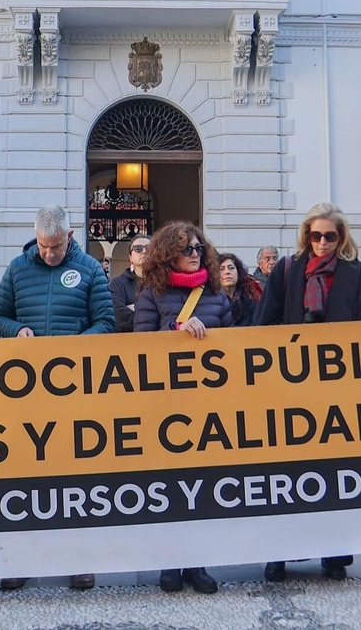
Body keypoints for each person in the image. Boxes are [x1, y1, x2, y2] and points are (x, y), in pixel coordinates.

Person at [0, 205, 112, 591]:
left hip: (74, 389)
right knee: (26, 477)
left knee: (76, 478)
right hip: (26, 392)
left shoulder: (91, 270)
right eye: (43, 247)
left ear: (70, 236)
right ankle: (24, 559)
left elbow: (106, 324)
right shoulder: (16, 268)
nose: (49, 254)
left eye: (56, 246)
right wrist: (18, 330)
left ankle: (79, 560)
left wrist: (76, 347)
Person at [256, 202, 361, 581]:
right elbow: (265, 322)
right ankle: (279, 553)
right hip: (290, 386)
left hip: (337, 387)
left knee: (337, 472)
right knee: (285, 472)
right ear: (306, 235)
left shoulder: (357, 274)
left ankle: (334, 552)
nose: (322, 242)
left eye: (330, 235)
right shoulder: (288, 270)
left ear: (341, 237)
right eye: (316, 235)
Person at [134, 222, 233, 595]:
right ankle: (169, 562)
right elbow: (139, 349)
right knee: (169, 489)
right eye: (186, 249)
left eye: (197, 248)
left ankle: (198, 563)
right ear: (167, 255)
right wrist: (175, 333)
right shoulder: (152, 295)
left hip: (207, 407)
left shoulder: (217, 297)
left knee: (202, 488)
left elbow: (233, 348)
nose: (194, 254)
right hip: (166, 407)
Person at [110, 233, 152, 333]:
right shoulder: (117, 284)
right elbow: (119, 317)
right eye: (138, 249)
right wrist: (150, 316)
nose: (144, 252)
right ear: (130, 257)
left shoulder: (163, 282)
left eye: (149, 248)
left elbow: (166, 315)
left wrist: (135, 307)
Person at [217, 253, 263, 327]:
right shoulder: (212, 302)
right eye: (221, 269)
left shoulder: (250, 299)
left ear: (238, 272)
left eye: (231, 268)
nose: (227, 272)